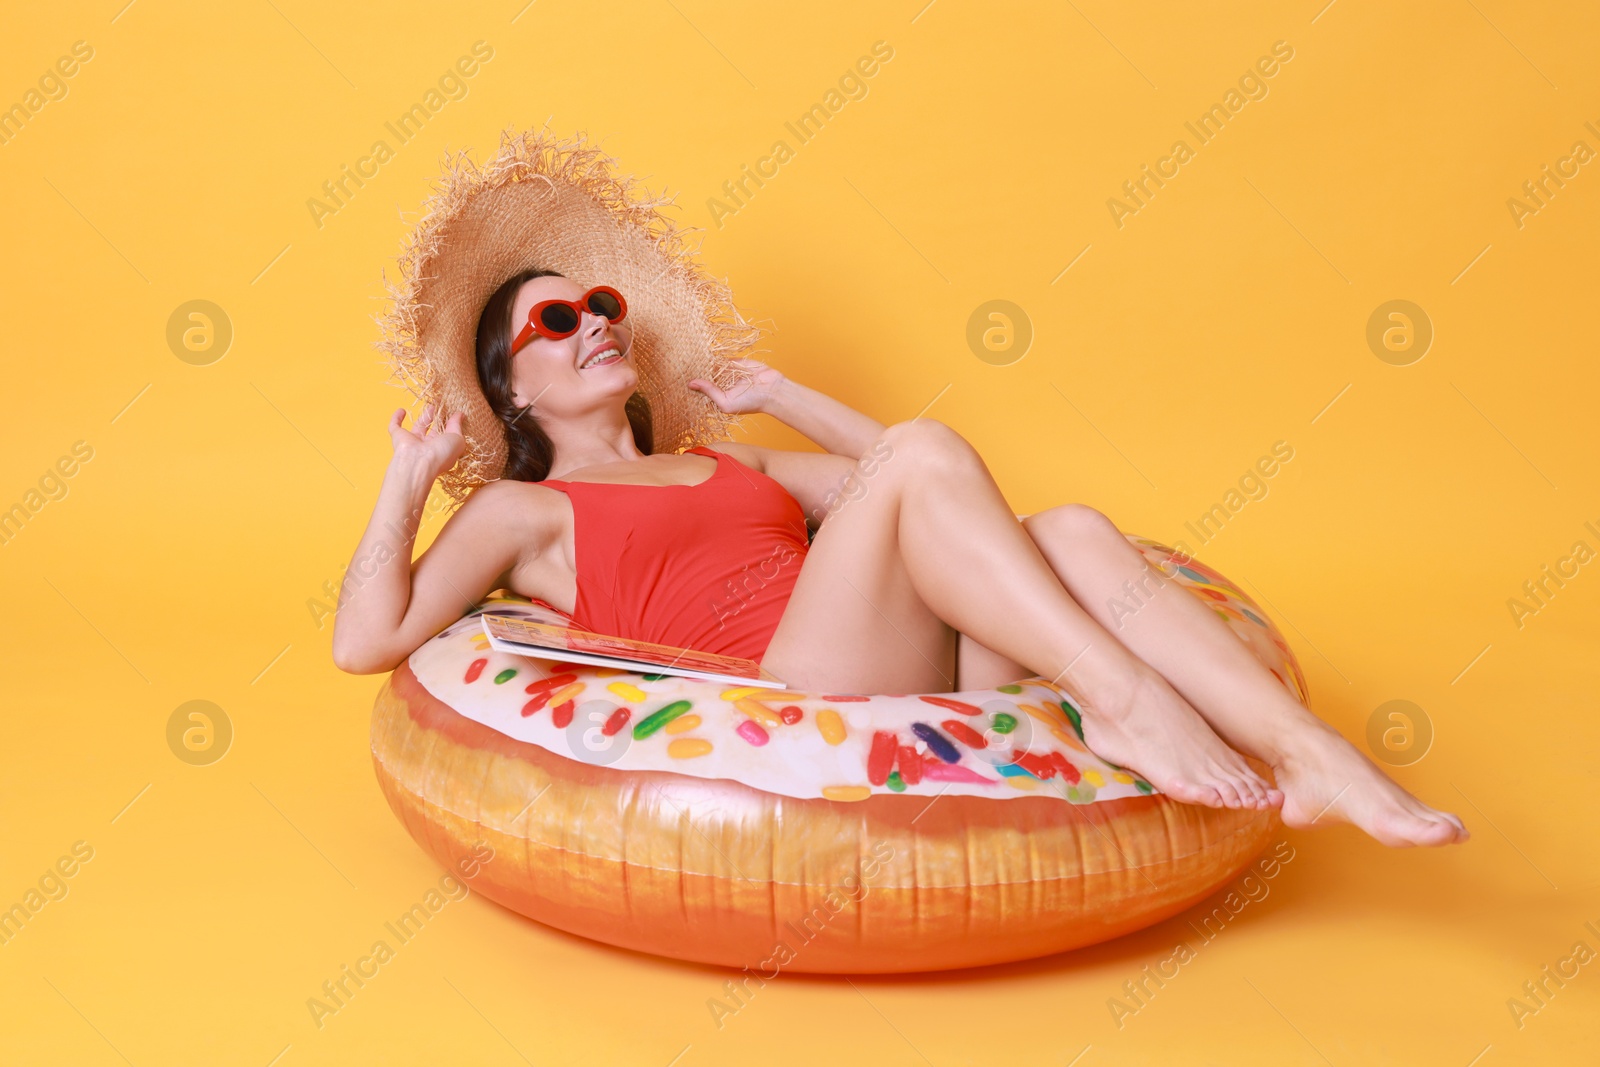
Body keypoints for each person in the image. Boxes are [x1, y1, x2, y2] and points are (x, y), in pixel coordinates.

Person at [333, 266, 1469, 849]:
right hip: (804, 683)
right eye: (553, 321)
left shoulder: (735, 464)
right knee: (948, 473)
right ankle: (1128, 700)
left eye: (599, 304)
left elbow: (937, 487)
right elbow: (363, 641)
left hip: (911, 666)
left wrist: (782, 397)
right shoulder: (525, 511)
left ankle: (1313, 755)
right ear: (511, 388)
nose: (592, 323)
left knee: (1067, 525)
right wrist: (407, 478)